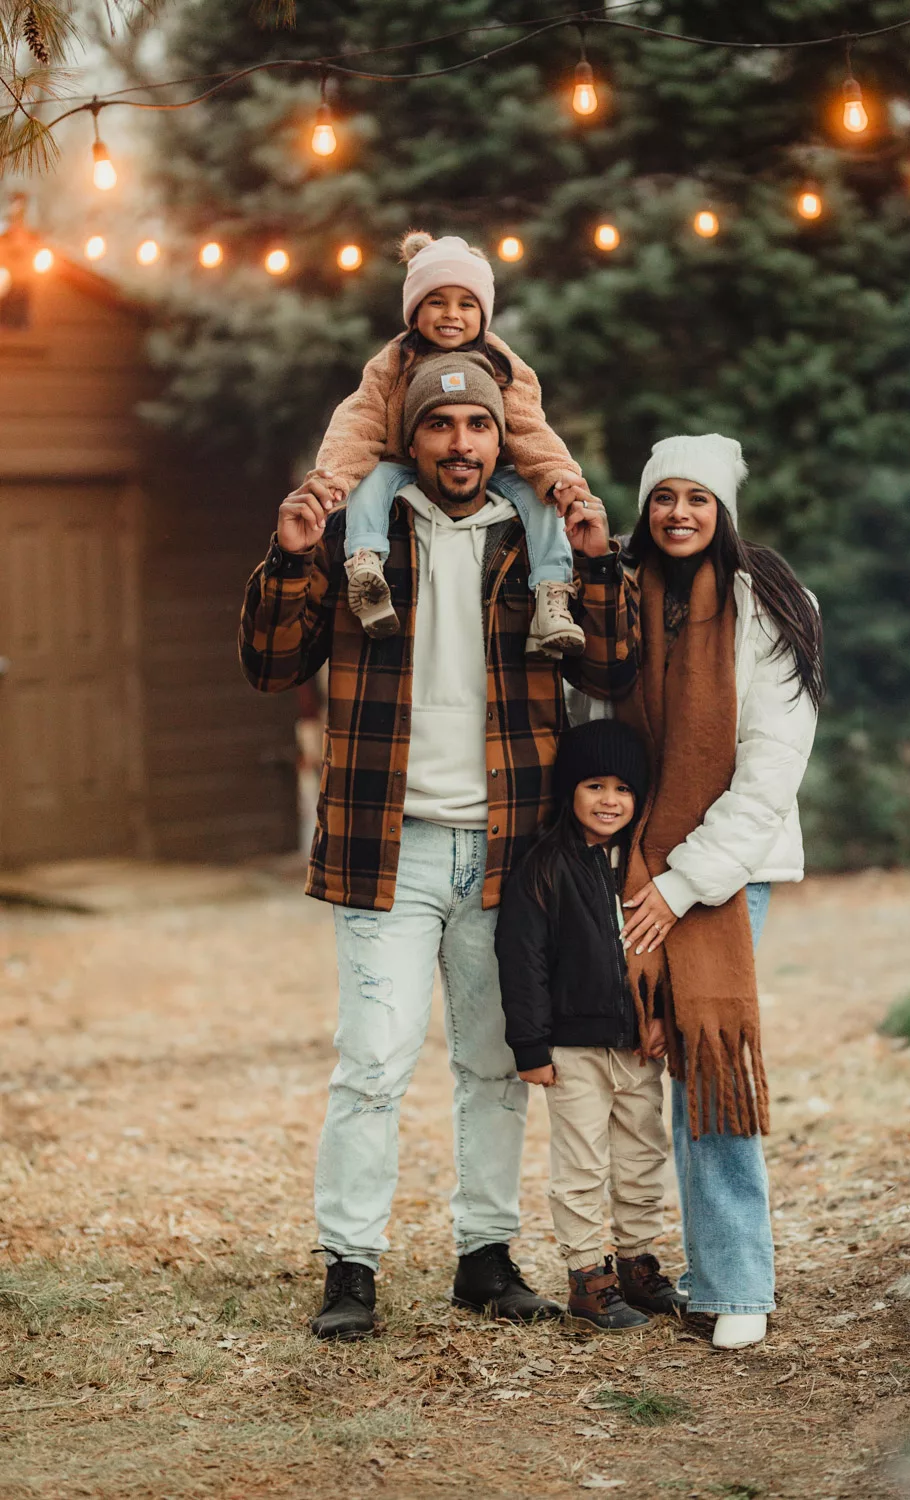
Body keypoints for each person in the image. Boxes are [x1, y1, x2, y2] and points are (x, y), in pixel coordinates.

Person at [239, 350, 637, 1340]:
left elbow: (617, 667)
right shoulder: (355, 537)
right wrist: (291, 557)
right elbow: (268, 661)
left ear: (500, 439)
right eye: (439, 427)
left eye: (477, 429)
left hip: (510, 851)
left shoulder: (536, 538)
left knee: (498, 1062)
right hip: (391, 845)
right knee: (372, 1062)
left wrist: (597, 561)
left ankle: (484, 1259)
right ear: (410, 437)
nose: (460, 445)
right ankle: (350, 1266)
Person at [616, 433, 823, 1350]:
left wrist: (681, 884)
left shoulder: (774, 606)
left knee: (706, 1064)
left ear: (725, 512)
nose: (680, 514)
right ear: (646, 508)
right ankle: (635, 1262)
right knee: (639, 1062)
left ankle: (738, 1281)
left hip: (732, 869)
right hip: (629, 863)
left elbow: (772, 771)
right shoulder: (617, 600)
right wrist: (629, 871)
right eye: (666, 497)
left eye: (699, 499)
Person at [314, 230, 587, 657]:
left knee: (540, 501)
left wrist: (560, 476)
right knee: (372, 481)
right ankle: (366, 565)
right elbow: (361, 416)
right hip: (409, 464)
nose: (451, 315)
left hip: (487, 470)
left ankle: (551, 595)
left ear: (484, 312)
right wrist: (335, 475)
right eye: (436, 301)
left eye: (466, 304)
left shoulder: (499, 361)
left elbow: (529, 426)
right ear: (414, 309)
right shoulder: (395, 359)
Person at [496, 719, 685, 1333]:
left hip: (637, 1046)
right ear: (569, 790)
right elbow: (520, 960)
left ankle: (635, 1264)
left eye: (624, 789)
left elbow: (664, 954)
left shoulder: (646, 864)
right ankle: (588, 1279)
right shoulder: (543, 864)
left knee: (641, 1156)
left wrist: (662, 1020)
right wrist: (530, 1044)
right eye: (595, 785)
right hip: (572, 1047)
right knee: (580, 1166)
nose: (610, 801)